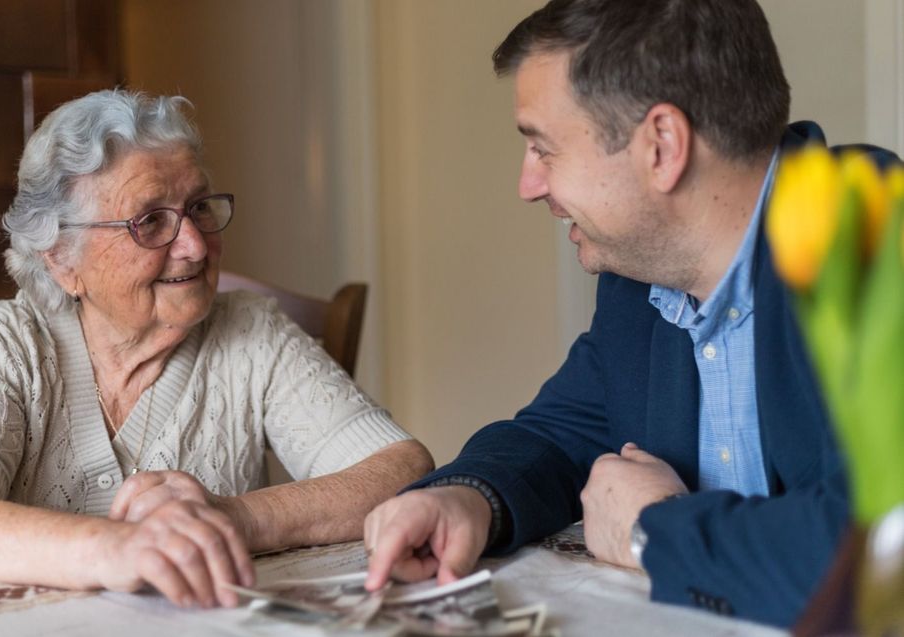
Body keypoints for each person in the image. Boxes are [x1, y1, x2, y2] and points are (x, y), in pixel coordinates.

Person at [362, 0, 899, 627]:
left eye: (543, 148)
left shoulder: (875, 245)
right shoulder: (642, 277)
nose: (528, 185)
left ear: (662, 146)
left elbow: (884, 555)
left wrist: (654, 531)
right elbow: (561, 432)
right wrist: (466, 498)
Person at [0, 90, 434, 609]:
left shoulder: (251, 333)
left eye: (199, 207)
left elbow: (402, 468)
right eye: (150, 220)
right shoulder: (3, 345)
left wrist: (232, 518)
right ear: (62, 259)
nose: (196, 245)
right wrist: (116, 547)